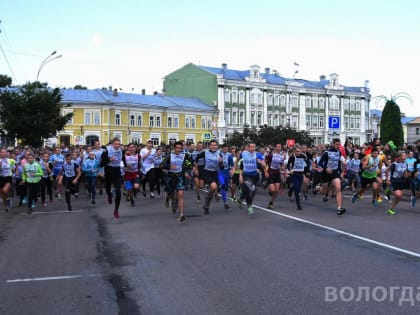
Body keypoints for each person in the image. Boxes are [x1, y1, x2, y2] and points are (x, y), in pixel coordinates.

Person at [160, 141, 193, 222]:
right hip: (171, 177)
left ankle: (182, 214)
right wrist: (169, 166)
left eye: (180, 148)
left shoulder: (185, 155)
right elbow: (161, 165)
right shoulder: (169, 156)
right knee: (171, 193)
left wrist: (185, 171)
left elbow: (189, 164)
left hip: (180, 177)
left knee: (180, 194)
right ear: (174, 148)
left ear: (182, 149)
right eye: (177, 148)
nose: (178, 150)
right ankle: (168, 198)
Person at [235, 142, 266, 215]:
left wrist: (261, 163)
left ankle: (240, 199)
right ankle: (249, 206)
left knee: (247, 191)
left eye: (253, 147)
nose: (252, 148)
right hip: (246, 175)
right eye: (251, 147)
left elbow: (264, 165)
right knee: (251, 189)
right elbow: (237, 159)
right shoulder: (244, 153)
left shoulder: (258, 154)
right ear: (248, 147)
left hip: (255, 176)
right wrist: (235, 168)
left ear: (255, 148)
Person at [194, 140, 224, 215]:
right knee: (213, 187)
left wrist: (221, 162)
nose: (213, 146)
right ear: (209, 146)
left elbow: (222, 167)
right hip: (207, 172)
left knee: (212, 191)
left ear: (217, 146)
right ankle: (207, 199)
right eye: (212, 145)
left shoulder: (219, 154)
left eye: (215, 145)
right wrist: (196, 168)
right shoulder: (205, 153)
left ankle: (206, 206)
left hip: (215, 173)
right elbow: (196, 159)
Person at [317, 138, 346, 215]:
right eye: (337, 144)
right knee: (324, 191)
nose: (338, 146)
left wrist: (341, 172)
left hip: (334, 173)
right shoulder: (326, 153)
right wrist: (326, 168)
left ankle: (339, 208)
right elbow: (319, 163)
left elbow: (339, 163)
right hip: (325, 174)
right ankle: (318, 188)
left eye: (339, 145)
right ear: (333, 144)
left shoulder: (339, 153)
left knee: (338, 188)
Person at [101, 137, 124, 219]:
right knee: (107, 189)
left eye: (119, 144)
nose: (117, 145)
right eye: (116, 144)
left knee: (118, 192)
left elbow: (124, 159)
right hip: (109, 171)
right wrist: (109, 159)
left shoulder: (121, 150)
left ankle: (116, 210)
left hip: (117, 171)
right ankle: (109, 194)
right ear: (112, 144)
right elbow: (101, 163)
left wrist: (127, 165)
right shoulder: (106, 151)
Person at [286, 145, 309, 210]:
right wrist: (290, 170)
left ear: (301, 151)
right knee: (297, 189)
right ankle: (298, 204)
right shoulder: (292, 157)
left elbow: (306, 164)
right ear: (294, 151)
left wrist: (307, 171)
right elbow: (288, 164)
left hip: (301, 174)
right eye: (296, 151)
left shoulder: (303, 156)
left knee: (298, 187)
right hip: (294, 174)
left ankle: (290, 190)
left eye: (299, 151)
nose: (298, 153)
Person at [264, 143, 286, 210]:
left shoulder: (281, 156)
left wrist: (282, 168)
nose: (279, 148)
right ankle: (270, 190)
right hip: (270, 172)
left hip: (277, 173)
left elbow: (282, 165)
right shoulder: (271, 155)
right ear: (275, 148)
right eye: (277, 146)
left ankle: (271, 203)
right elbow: (265, 162)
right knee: (273, 190)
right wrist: (265, 172)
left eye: (280, 146)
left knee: (276, 190)